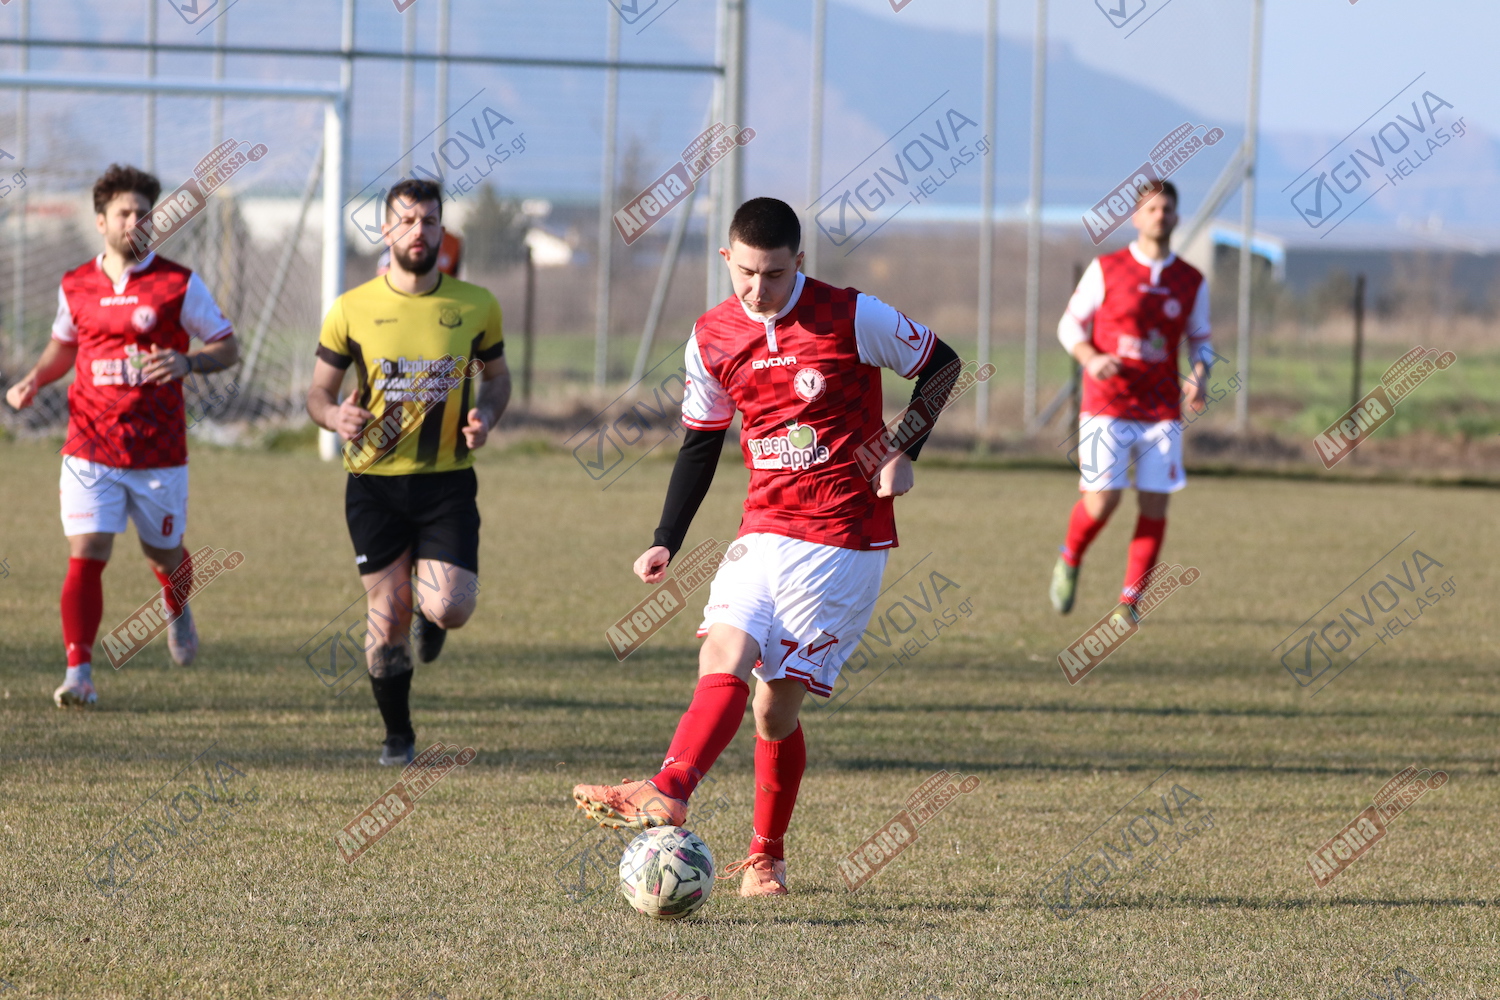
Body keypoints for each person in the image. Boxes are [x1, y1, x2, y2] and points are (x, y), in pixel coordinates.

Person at [572, 197, 965, 897]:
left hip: (842, 536)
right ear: (727, 259)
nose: (758, 289)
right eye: (746, 273)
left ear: (799, 263)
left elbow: (942, 365)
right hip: (762, 527)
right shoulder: (711, 337)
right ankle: (670, 788)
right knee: (722, 653)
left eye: (775, 274)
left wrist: (903, 448)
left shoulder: (853, 315)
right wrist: (666, 539)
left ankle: (766, 856)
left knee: (773, 711)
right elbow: (700, 444)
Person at [5, 164, 240, 707]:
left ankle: (177, 607)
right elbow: (65, 343)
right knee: (87, 549)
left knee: (163, 554)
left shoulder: (178, 283)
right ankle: (79, 673)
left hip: (158, 451)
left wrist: (188, 362)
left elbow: (227, 346)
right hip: (90, 445)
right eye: (124, 213)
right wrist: (36, 378)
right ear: (101, 221)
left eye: (144, 213)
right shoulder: (75, 284)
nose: (135, 222)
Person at [306, 178, 510, 766]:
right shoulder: (351, 308)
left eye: (429, 220)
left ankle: (432, 615)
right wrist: (333, 416)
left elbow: (498, 379)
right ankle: (398, 735)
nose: (418, 231)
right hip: (373, 483)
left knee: (451, 607)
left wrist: (487, 416)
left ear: (442, 229)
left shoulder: (476, 305)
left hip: (447, 481)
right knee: (387, 612)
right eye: (406, 219)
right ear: (386, 229)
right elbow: (317, 394)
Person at [1048, 181, 1213, 617]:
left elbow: (1201, 341)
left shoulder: (1191, 280)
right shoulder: (1108, 268)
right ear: (1137, 217)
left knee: (1155, 503)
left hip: (1161, 411)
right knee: (1103, 501)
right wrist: (1090, 357)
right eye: (1151, 208)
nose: (1160, 215)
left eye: (1167, 209)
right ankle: (1070, 557)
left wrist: (1200, 374)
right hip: (1108, 404)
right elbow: (1069, 326)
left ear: (1177, 217)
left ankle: (1129, 602)